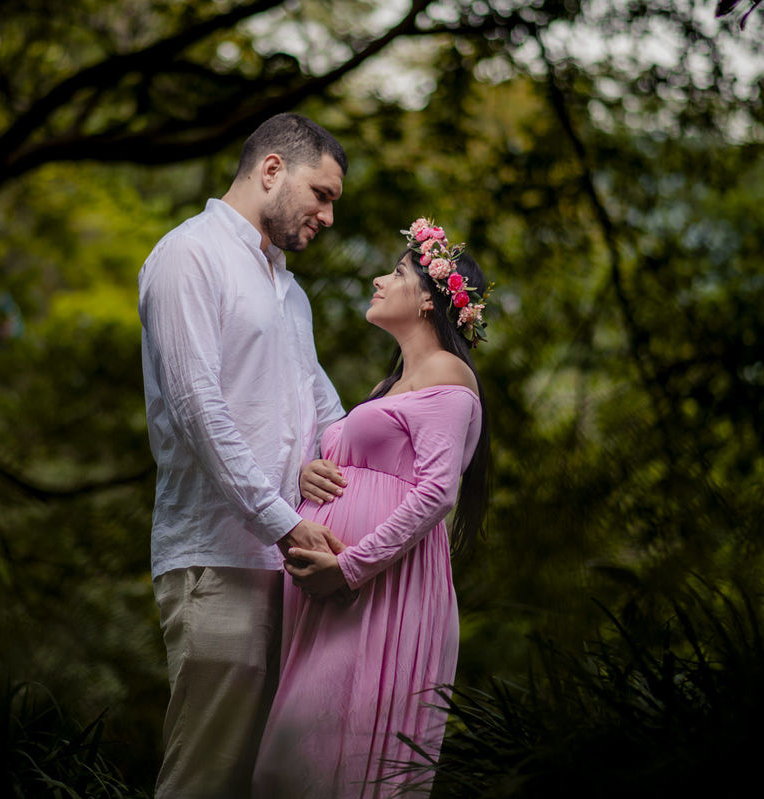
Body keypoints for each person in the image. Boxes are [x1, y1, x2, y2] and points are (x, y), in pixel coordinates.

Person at [138, 113, 350, 799]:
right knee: (205, 780)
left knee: (269, 782)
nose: (326, 215)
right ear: (270, 171)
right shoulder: (188, 255)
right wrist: (284, 520)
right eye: (321, 194)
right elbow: (201, 410)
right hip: (218, 561)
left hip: (286, 571)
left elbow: (324, 411)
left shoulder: (289, 290)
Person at [251, 218, 493, 799]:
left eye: (399, 272)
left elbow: (436, 492)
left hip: (380, 593)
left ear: (431, 302)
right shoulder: (393, 386)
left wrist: (350, 567)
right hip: (338, 600)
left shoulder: (447, 375)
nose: (381, 281)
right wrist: (309, 469)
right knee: (295, 762)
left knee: (317, 757)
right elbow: (355, 464)